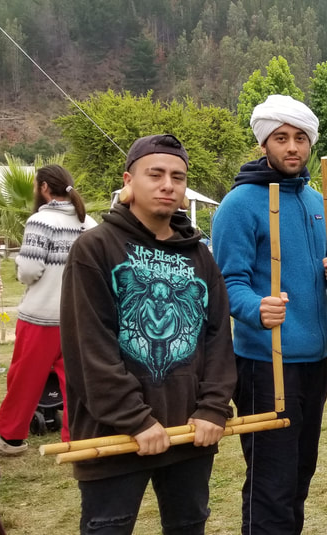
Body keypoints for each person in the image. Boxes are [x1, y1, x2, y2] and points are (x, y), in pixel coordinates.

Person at [61, 134, 236, 533]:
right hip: (114, 436)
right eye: (155, 174)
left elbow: (217, 338)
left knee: (188, 525)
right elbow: (89, 345)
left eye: (177, 177)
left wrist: (212, 408)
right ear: (129, 181)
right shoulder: (95, 248)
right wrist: (135, 419)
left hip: (190, 433)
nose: (167, 185)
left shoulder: (199, 256)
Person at [212, 94, 327, 534]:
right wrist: (254, 308)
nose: (292, 147)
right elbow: (225, 284)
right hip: (265, 364)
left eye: (300, 137)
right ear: (263, 143)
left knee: (300, 474)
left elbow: (312, 274)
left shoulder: (318, 202)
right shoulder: (239, 204)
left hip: (313, 361)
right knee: (271, 482)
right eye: (281, 138)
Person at [0, 165, 96, 454]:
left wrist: (19, 265)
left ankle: (11, 438)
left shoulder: (40, 221)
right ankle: (77, 439)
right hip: (80, 317)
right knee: (77, 382)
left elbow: (29, 271)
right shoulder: (89, 223)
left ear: (45, 187)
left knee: (24, 378)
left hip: (41, 316)